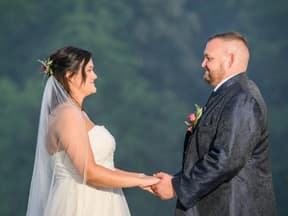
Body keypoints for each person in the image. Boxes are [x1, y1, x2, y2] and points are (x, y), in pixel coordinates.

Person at [151, 32, 277, 216]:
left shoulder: (243, 99)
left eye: (208, 58)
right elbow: (211, 156)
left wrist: (177, 186)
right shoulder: (230, 95)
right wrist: (175, 180)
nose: (203, 64)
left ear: (230, 60)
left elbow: (225, 159)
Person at [26, 46, 159, 216]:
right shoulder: (67, 114)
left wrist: (141, 178)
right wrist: (138, 180)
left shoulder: (78, 113)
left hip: (98, 200)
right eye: (89, 70)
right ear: (70, 76)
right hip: (80, 204)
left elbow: (103, 166)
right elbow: (89, 172)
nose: (94, 76)